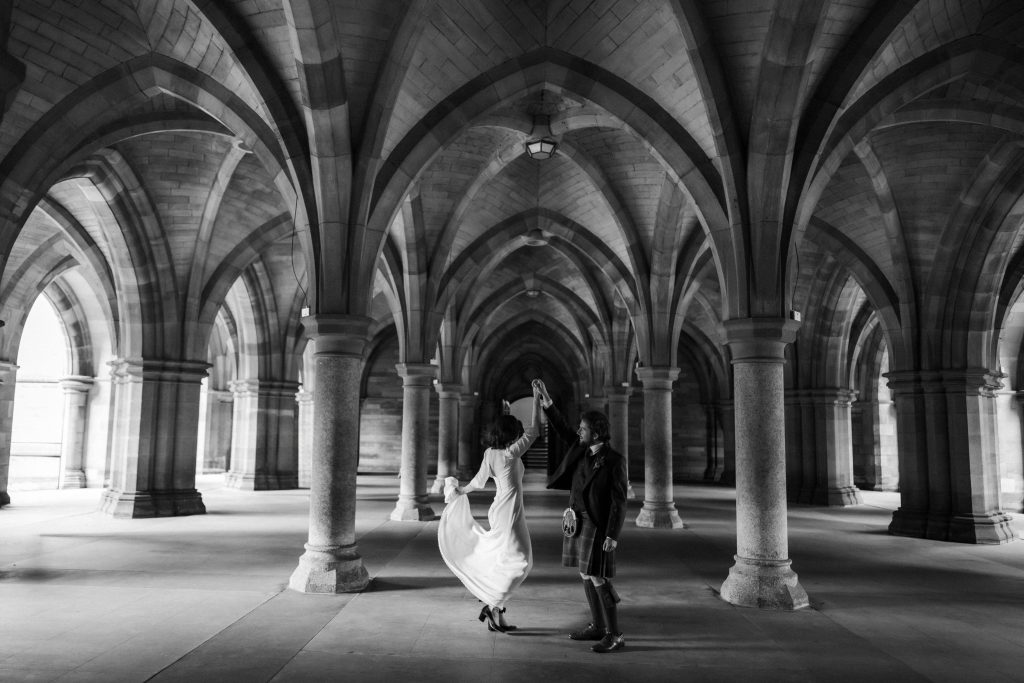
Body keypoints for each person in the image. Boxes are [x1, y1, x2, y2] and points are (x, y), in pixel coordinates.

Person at [437, 385, 542, 633]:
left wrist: (461, 491)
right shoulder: (510, 454)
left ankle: (496, 610)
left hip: (502, 508)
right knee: (521, 562)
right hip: (509, 512)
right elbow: (535, 430)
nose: (519, 437)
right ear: (511, 435)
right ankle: (492, 603)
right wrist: (537, 399)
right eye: (517, 434)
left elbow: (478, 482)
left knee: (506, 560)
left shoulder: (490, 453)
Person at [535, 378, 627, 653]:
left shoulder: (613, 460)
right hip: (577, 520)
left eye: (584, 428)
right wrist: (546, 401)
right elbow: (563, 428)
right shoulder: (580, 447)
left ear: (596, 434)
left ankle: (615, 634)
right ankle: (598, 626)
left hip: (598, 524)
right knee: (585, 575)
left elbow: (618, 501)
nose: (579, 431)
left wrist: (612, 534)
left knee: (598, 577)